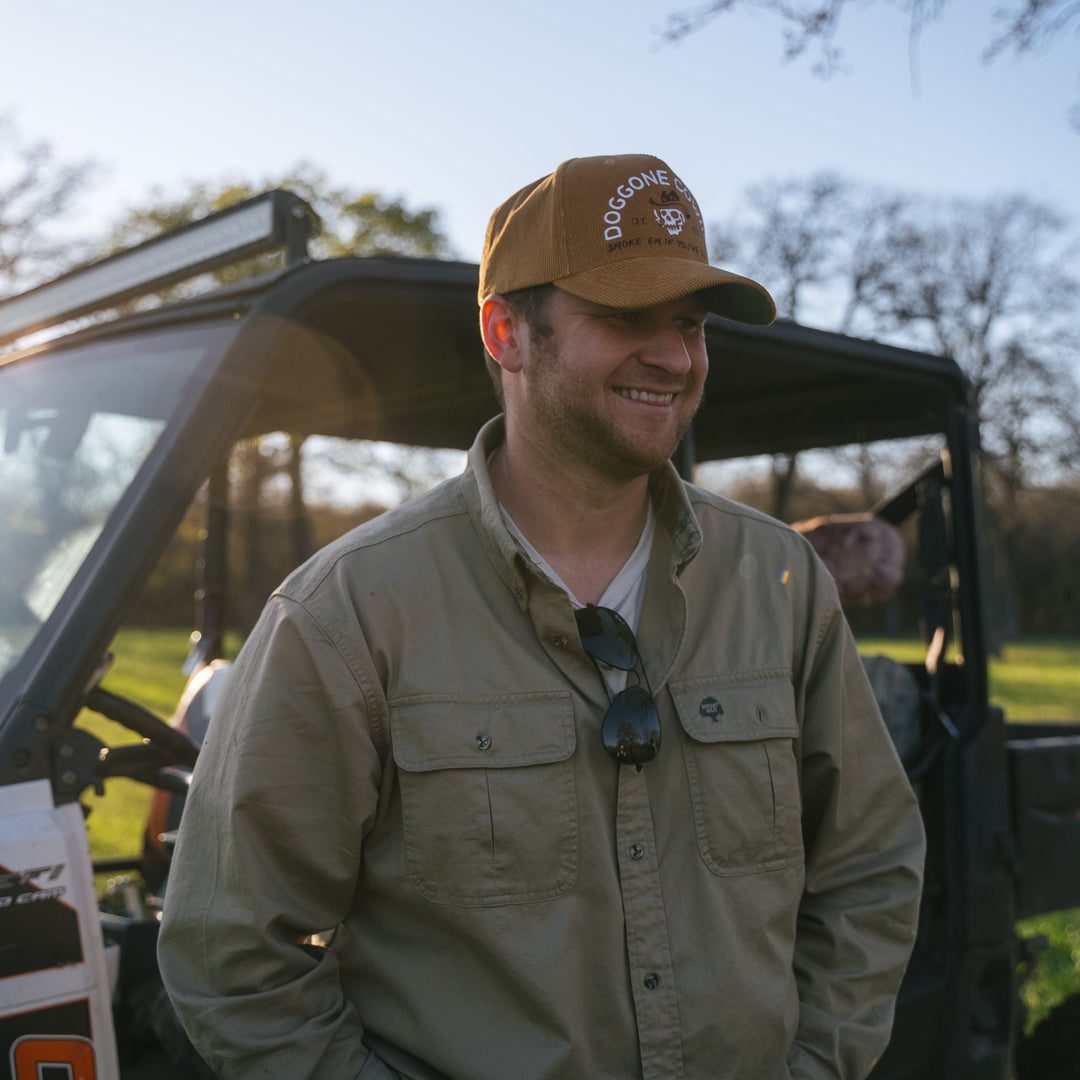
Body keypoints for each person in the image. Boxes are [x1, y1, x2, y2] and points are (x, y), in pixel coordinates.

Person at [159, 153, 926, 1080]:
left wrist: (815, 1065)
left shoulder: (779, 581)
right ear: (506, 331)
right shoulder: (349, 614)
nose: (676, 357)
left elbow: (871, 867)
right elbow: (234, 958)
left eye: (688, 323)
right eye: (624, 317)